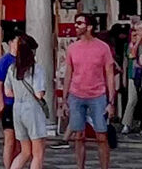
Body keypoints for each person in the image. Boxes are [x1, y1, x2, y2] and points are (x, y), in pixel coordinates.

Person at [62, 14, 117, 169]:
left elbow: (110, 74)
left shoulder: (103, 47)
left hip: (98, 96)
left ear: (90, 26)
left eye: (80, 23)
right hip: (76, 95)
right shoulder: (72, 48)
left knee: (101, 135)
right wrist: (65, 100)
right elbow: (68, 73)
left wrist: (111, 101)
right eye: (76, 22)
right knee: (78, 136)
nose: (76, 25)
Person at [5, 33, 53, 169]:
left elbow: (8, 92)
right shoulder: (36, 69)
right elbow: (39, 94)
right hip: (32, 110)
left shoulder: (12, 68)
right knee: (38, 153)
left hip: (17, 109)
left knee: (24, 152)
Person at [0, 30, 19, 169]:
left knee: (20, 140)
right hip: (9, 104)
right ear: (10, 43)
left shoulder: (24, 60)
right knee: (9, 139)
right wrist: (1, 106)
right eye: (17, 41)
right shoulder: (4, 61)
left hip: (21, 105)